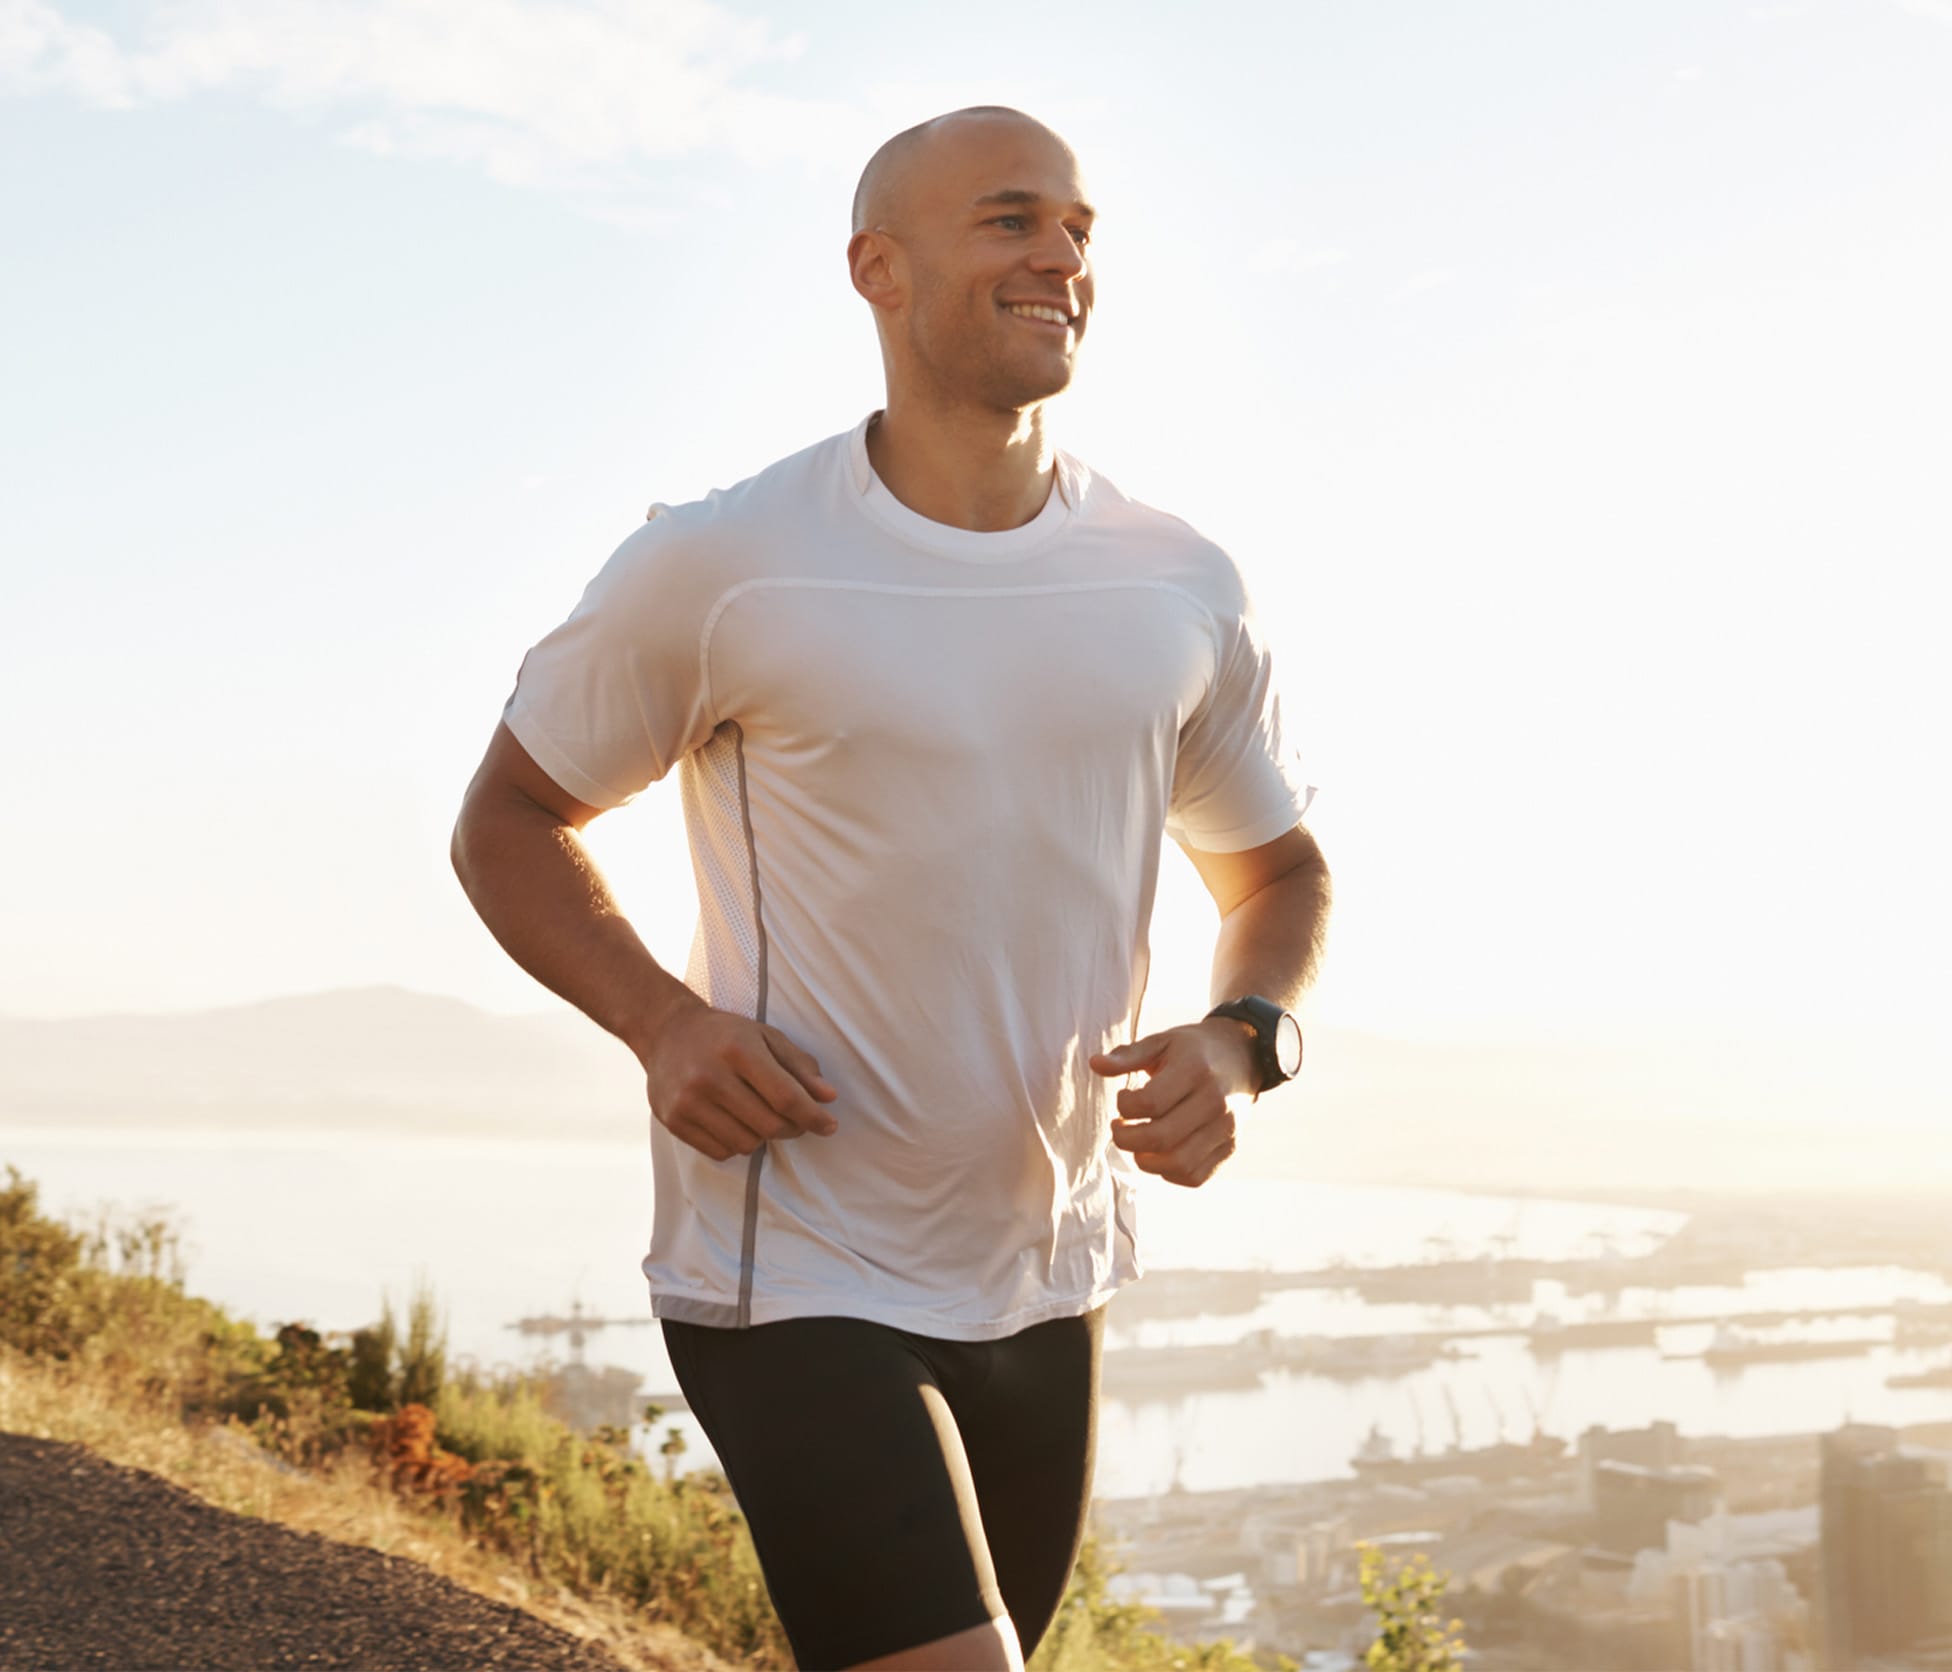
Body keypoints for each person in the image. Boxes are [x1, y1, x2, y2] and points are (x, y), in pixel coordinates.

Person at [451, 105, 1331, 1672]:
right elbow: (510, 820)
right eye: (1011, 219)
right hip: (791, 1265)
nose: (1061, 252)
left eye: (1078, 226)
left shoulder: (1174, 580)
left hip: (1051, 1272)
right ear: (880, 267)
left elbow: (1276, 871)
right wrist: (662, 1024)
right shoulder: (726, 564)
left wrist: (1243, 1039)